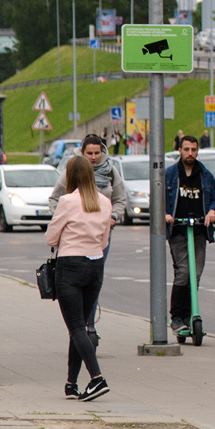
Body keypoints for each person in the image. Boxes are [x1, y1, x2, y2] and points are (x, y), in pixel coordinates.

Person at [45, 155, 113, 402]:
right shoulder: (104, 203)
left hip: (70, 266)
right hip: (96, 266)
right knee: (81, 327)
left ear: (70, 176)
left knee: (75, 328)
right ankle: (71, 383)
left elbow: (51, 238)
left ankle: (97, 379)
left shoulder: (67, 201)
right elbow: (104, 240)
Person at [48, 134, 126, 345]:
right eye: (89, 153)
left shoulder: (110, 171)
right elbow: (55, 199)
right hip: (73, 238)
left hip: (100, 234)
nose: (93, 157)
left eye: (97, 153)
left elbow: (120, 199)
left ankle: (87, 325)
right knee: (78, 283)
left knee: (93, 280)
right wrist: (63, 218)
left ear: (102, 152)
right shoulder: (74, 170)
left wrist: (112, 217)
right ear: (82, 152)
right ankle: (81, 328)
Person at [165, 135, 215, 334]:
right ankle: (177, 317)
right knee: (183, 273)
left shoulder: (204, 175)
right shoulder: (171, 174)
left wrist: (213, 212)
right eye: (187, 149)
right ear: (180, 151)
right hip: (179, 230)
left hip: (199, 230)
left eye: (194, 150)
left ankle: (191, 315)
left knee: (195, 275)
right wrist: (165, 214)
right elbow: (159, 198)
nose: (190, 153)